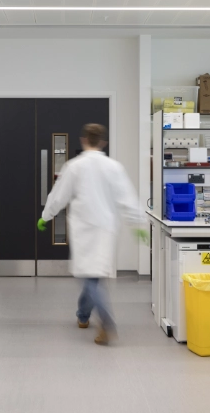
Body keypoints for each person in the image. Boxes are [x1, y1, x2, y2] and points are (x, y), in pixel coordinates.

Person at [38, 122, 146, 345]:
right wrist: (138, 223)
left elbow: (59, 195)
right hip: (106, 228)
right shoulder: (113, 167)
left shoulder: (74, 166)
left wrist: (46, 216)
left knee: (89, 277)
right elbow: (127, 196)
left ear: (84, 140)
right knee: (93, 275)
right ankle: (83, 315)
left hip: (84, 228)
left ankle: (107, 323)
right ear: (103, 142)